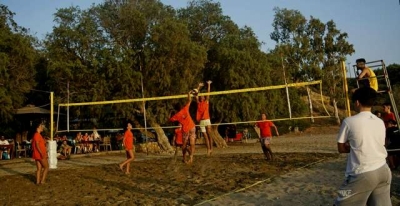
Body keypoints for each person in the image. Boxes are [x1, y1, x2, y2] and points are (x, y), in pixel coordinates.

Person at [334, 87, 391, 206]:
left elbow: (341, 148)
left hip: (362, 173)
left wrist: (354, 147)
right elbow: (382, 144)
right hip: (383, 170)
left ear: (357, 102)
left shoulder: (349, 121)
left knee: (341, 202)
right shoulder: (379, 121)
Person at [170, 91, 196, 164]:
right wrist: (189, 93)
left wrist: (171, 112)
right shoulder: (185, 109)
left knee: (184, 145)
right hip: (192, 127)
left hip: (186, 129)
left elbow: (169, 119)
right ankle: (191, 158)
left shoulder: (177, 115)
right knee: (192, 143)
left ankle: (184, 158)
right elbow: (189, 100)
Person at [196, 81, 213, 155]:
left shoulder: (206, 101)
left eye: (203, 96)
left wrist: (209, 85)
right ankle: (208, 149)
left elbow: (208, 93)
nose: (201, 97)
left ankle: (211, 149)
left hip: (207, 120)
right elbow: (196, 94)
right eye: (201, 96)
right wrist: (198, 86)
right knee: (205, 137)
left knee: (209, 135)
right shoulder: (198, 103)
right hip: (201, 121)